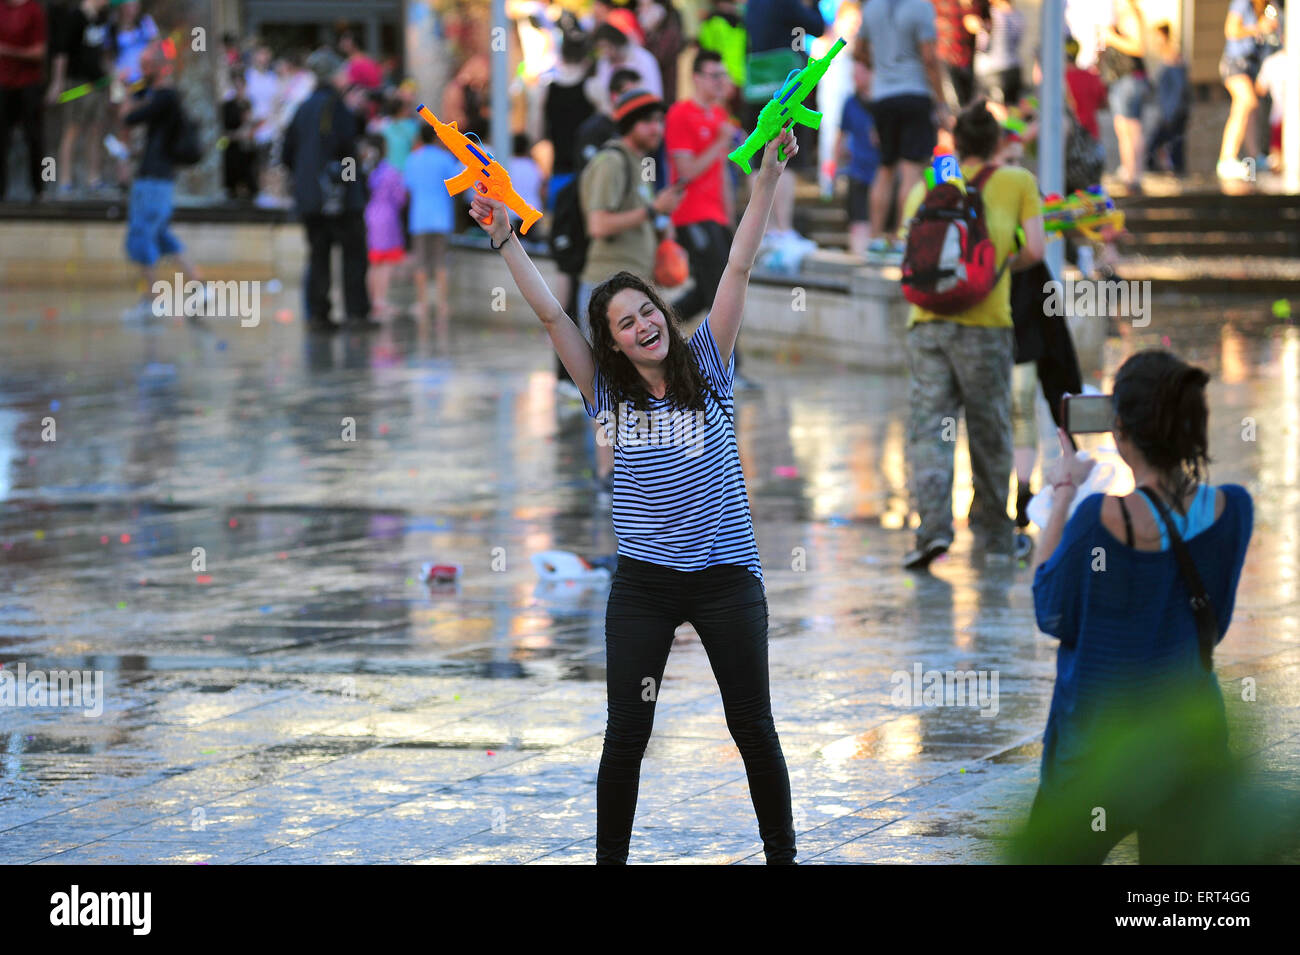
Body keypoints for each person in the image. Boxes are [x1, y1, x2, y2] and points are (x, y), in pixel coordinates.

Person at [468, 126, 801, 866]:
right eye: (626, 323)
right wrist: (505, 241)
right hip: (645, 585)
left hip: (725, 578)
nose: (645, 323)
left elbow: (739, 266)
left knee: (753, 726)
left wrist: (765, 185)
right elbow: (553, 316)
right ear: (612, 343)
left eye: (647, 310)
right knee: (627, 736)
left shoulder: (708, 363)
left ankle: (783, 855)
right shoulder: (605, 392)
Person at [1021, 351, 1253, 863]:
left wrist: (1064, 488)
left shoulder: (1097, 521)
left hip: (1096, 753)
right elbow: (1211, 626)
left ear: (1119, 430)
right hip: (1189, 748)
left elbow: (1049, 608)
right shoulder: (1234, 510)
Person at [898, 102, 1045, 569]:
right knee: (990, 430)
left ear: (956, 143)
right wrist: (993, 267)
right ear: (999, 142)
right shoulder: (1017, 181)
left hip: (927, 324)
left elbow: (909, 241)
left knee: (929, 430)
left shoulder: (933, 179)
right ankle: (995, 535)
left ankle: (933, 531)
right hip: (985, 325)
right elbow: (1036, 250)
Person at [579, 87, 684, 493]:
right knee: (604, 386)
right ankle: (609, 474)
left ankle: (631, 470)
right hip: (604, 292)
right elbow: (598, 226)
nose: (656, 128)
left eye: (659, 120)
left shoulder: (638, 164)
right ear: (628, 125)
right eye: (647, 121)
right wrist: (652, 211)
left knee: (632, 383)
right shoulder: (611, 162)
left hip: (631, 292)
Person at [282, 47, 374, 334]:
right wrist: (350, 183)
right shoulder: (337, 107)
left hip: (311, 199)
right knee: (353, 254)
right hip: (339, 199)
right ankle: (356, 313)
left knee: (318, 254)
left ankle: (318, 314)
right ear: (334, 75)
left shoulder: (302, 107)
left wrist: (305, 180)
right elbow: (347, 151)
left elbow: (287, 153)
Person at [856, 0, 948, 256]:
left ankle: (875, 238)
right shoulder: (921, 7)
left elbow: (858, 50)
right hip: (914, 93)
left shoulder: (871, 7)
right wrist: (941, 102)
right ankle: (901, 238)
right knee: (911, 170)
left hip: (883, 96)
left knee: (885, 168)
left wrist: (884, 66)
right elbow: (929, 57)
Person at [120, 40, 204, 316]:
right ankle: (199, 284)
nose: (141, 71)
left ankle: (153, 299)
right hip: (159, 177)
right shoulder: (164, 97)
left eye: (145, 66)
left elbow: (129, 117)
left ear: (157, 67)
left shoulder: (164, 97)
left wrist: (126, 93)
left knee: (142, 233)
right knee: (161, 235)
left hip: (154, 179)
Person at [664, 50, 737, 323]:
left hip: (717, 216)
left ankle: (666, 322)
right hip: (691, 214)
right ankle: (729, 360)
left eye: (723, 75)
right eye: (714, 75)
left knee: (715, 289)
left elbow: (722, 175)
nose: (721, 81)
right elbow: (686, 171)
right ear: (696, 78)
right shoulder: (680, 113)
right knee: (719, 290)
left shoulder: (721, 116)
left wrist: (730, 221)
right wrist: (720, 142)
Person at [744, 0, 825, 238]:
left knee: (757, 156)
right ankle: (782, 228)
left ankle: (761, 230)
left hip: (756, 82)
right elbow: (817, 27)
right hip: (785, 84)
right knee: (785, 152)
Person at [48, 0, 111, 196]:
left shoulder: (101, 19)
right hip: (77, 84)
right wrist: (57, 82)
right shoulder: (75, 17)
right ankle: (65, 180)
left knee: (96, 130)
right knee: (72, 129)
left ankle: (94, 178)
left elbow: (103, 52)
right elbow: (62, 52)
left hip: (98, 83)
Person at [404, 122, 459, 324]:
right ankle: (442, 304)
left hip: (419, 217)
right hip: (442, 217)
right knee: (440, 262)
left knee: (421, 263)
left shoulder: (412, 159)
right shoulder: (445, 158)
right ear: (436, 138)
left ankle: (422, 304)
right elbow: (455, 184)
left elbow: (407, 188)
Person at [1218, 0, 1277, 181]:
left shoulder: (1266, 7)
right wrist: (1257, 28)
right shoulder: (1243, 2)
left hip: (1252, 67)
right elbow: (1231, 30)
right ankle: (1226, 158)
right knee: (1246, 102)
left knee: (1252, 110)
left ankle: (1253, 158)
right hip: (1235, 64)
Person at [0, 0, 48, 202]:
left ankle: (43, 188)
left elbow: (40, 52)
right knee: (2, 139)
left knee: (37, 139)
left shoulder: (33, 10)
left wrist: (7, 51)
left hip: (29, 84)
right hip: (3, 85)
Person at [836, 56, 881, 257]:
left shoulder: (885, 102)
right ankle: (859, 258)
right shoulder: (850, 102)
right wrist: (837, 162)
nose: (855, 76)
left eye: (860, 72)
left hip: (882, 173)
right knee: (858, 221)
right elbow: (841, 135)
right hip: (858, 171)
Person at [1102, 0, 1148, 191]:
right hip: (1121, 79)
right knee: (1124, 128)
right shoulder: (1121, 16)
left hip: (1129, 79)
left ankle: (1134, 171)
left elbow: (1138, 47)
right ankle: (1129, 168)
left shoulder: (1132, 15)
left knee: (1130, 127)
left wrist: (1112, 38)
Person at [363, 134, 406, 319]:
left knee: (373, 262)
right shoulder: (390, 172)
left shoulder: (365, 170)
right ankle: (381, 301)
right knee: (386, 262)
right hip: (387, 218)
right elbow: (400, 197)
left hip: (369, 215)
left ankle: (372, 300)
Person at [1145, 21, 1189, 175]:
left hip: (1173, 111)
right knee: (1173, 143)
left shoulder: (1172, 56)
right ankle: (1174, 172)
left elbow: (1178, 87)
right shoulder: (1166, 56)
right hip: (1169, 110)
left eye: (1156, 37)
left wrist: (1170, 113)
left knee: (1165, 143)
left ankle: (1175, 173)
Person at [592, 22, 663, 105]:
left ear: (616, 42)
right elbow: (603, 90)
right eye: (601, 48)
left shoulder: (642, 58)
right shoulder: (604, 63)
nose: (605, 52)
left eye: (607, 46)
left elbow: (654, 90)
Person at [973, 0, 1024, 113]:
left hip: (993, 70)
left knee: (998, 112)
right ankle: (1019, 129)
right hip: (1013, 67)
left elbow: (982, 45)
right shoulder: (1018, 15)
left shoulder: (992, 14)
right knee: (1013, 110)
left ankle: (1024, 130)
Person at [934, 0, 982, 110]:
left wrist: (981, 25)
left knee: (968, 102)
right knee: (954, 105)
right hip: (946, 57)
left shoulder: (975, 5)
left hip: (968, 59)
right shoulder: (940, 4)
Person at [638, 0, 684, 104]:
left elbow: (657, 59)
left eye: (645, 6)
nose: (641, 11)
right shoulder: (651, 33)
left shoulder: (670, 31)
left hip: (665, 97)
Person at [221, 69, 257, 200]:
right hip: (232, 148)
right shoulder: (227, 106)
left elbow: (252, 125)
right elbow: (224, 130)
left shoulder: (248, 103)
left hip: (246, 148)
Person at [1255, 47, 1286, 173]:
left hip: (1277, 116)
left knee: (1277, 161)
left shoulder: (1271, 61)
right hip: (1280, 117)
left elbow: (1260, 88)